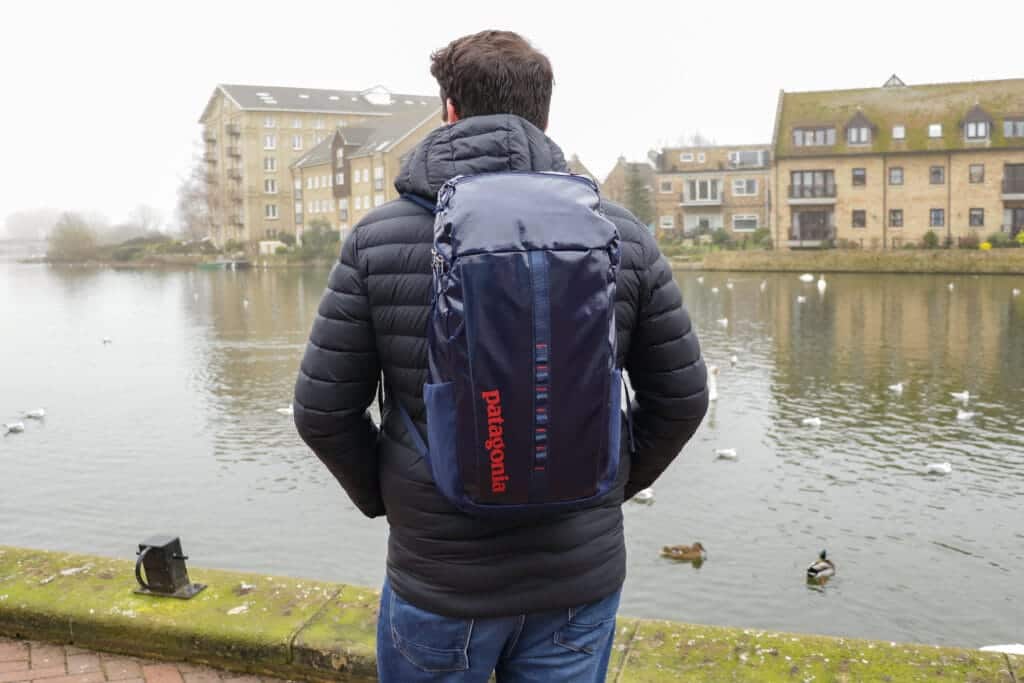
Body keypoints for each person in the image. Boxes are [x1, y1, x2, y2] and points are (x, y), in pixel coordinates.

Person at [293, 30, 708, 683]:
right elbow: (682, 397)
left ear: (449, 110)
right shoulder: (622, 233)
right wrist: (602, 484)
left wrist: (394, 494)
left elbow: (321, 410)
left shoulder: (378, 239)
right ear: (543, 116)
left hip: (440, 580)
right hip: (576, 578)